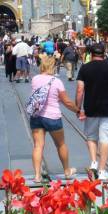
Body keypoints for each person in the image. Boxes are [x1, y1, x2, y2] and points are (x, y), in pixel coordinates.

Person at [75, 42, 108, 180]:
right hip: (107, 109)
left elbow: (80, 90)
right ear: (104, 53)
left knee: (91, 137)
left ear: (91, 54)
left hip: (90, 109)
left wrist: (78, 108)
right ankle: (102, 170)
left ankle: (93, 162)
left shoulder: (84, 68)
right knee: (106, 139)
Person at [29, 54, 79, 183]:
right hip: (52, 117)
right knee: (60, 144)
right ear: (53, 66)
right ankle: (67, 171)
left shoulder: (35, 79)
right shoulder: (57, 81)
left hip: (36, 116)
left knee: (38, 146)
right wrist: (78, 110)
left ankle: (37, 175)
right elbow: (67, 102)